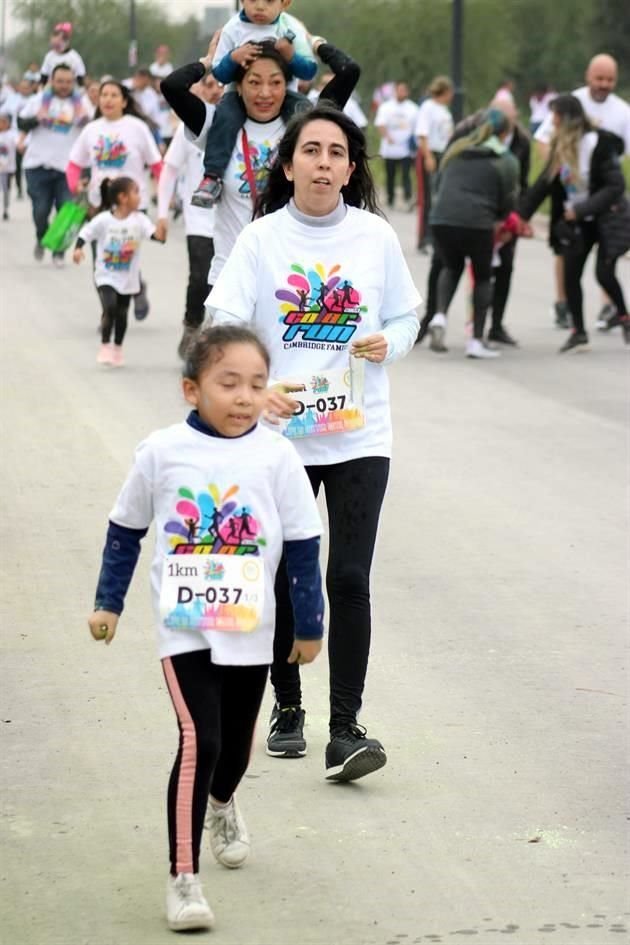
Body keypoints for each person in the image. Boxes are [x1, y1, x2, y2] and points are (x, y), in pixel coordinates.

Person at [207, 105, 421, 780]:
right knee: (284, 579)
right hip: (280, 436)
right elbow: (222, 317)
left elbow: (405, 312)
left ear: (351, 167)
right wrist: (249, 388)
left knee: (349, 577)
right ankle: (287, 705)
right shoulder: (262, 240)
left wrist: (395, 340)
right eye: (312, 150)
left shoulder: (375, 237)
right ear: (290, 163)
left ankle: (346, 728)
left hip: (360, 432)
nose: (324, 162)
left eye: (336, 152)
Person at [88, 324, 324, 931]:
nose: (245, 396)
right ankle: (183, 879)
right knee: (201, 739)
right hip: (184, 622)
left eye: (256, 384)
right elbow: (125, 528)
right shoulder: (162, 452)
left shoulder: (276, 454)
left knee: (237, 743)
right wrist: (108, 603)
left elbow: (302, 542)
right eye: (229, 383)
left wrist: (309, 623)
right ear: (192, 390)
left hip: (253, 626)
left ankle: (223, 803)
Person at [162, 37, 359, 292]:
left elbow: (349, 72)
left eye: (275, 83)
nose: (265, 93)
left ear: (287, 86)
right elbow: (172, 86)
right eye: (254, 82)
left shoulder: (307, 126)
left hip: (290, 280)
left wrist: (314, 44)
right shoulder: (217, 125)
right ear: (239, 87)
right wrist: (210, 62)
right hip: (231, 278)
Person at [521, 94, 630, 352]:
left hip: (607, 218)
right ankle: (578, 331)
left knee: (603, 274)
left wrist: (581, 209)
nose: (553, 123)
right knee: (571, 274)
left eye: (556, 117)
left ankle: (624, 317)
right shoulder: (560, 150)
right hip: (578, 223)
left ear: (568, 119)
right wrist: (518, 218)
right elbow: (541, 188)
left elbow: (616, 186)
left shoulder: (599, 144)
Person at [191, 0, 318, 208]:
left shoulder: (292, 27)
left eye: (268, 1)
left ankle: (311, 177)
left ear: (285, 2)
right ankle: (212, 178)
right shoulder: (232, 29)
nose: (259, 6)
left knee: (311, 123)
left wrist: (290, 56)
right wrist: (233, 58)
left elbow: (309, 71)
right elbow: (219, 73)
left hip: (285, 97)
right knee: (223, 119)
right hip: (239, 97)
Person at [535, 54, 630, 330]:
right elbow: (543, 139)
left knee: (607, 255)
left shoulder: (623, 111)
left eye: (610, 79)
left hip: (602, 197)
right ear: (588, 76)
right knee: (567, 253)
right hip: (571, 192)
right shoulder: (572, 103)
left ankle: (608, 306)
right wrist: (557, 169)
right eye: (599, 78)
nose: (604, 84)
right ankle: (563, 303)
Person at [426, 108, 519, 359]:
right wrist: (500, 219)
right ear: (505, 132)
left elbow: (439, 185)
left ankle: (439, 316)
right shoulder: (505, 159)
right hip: (477, 222)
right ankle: (476, 341)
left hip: (441, 219)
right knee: (483, 276)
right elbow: (508, 198)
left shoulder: (455, 150)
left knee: (450, 266)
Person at [67, 79, 162, 318]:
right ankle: (108, 312)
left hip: (132, 205)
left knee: (124, 254)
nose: (107, 99)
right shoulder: (91, 129)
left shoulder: (137, 127)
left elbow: (156, 164)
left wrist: (162, 194)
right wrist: (74, 184)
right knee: (101, 261)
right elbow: (74, 164)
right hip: (100, 205)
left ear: (124, 101)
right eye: (103, 95)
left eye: (113, 95)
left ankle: (136, 288)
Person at [157, 73, 223, 357]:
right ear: (200, 90)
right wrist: (161, 214)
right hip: (199, 217)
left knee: (225, 283)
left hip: (234, 219)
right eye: (210, 85)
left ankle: (219, 338)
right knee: (200, 278)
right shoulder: (192, 125)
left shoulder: (245, 124)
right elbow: (169, 170)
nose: (217, 91)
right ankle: (192, 324)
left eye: (223, 85)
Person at [73, 177, 164, 366]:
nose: (140, 197)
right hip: (105, 274)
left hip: (128, 277)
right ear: (123, 197)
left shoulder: (140, 220)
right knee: (110, 307)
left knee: (122, 314)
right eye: (136, 192)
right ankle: (105, 345)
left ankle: (117, 348)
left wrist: (163, 228)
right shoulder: (104, 220)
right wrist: (78, 248)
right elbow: (86, 233)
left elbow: (156, 236)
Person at [18, 64, 87, 265]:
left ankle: (58, 251)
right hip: (37, 165)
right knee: (40, 211)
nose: (64, 86)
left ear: (73, 82)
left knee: (65, 210)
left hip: (68, 167)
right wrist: (36, 119)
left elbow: (93, 128)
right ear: (52, 81)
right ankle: (41, 237)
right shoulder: (38, 101)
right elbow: (20, 123)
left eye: (68, 81)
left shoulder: (81, 104)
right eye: (60, 81)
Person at [486, 97, 531, 346]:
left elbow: (523, 182)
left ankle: (496, 324)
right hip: (483, 214)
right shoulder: (481, 136)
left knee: (505, 268)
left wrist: (518, 217)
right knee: (480, 272)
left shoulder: (522, 141)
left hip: (509, 214)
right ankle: (474, 324)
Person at [414, 75, 454, 251]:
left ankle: (436, 237)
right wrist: (428, 156)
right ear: (444, 91)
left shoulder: (445, 111)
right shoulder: (428, 108)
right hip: (429, 153)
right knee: (427, 198)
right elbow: (423, 134)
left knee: (439, 197)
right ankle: (424, 239)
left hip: (442, 154)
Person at [375, 81, 418, 211]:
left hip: (406, 149)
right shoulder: (386, 107)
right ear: (395, 91)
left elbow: (417, 128)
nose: (402, 93)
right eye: (399, 90)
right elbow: (380, 124)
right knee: (390, 175)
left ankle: (407, 198)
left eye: (404, 90)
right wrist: (387, 136)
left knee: (406, 175)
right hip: (390, 149)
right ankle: (391, 198)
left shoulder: (413, 108)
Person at [40, 23, 86, 87]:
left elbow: (80, 76)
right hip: (52, 88)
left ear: (66, 42)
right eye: (54, 45)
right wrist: (41, 88)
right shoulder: (49, 56)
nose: (55, 47)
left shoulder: (74, 57)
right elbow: (44, 75)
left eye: (58, 45)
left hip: (70, 88)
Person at [0, 110, 18, 220]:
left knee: (6, 190)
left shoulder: (12, 135)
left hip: (7, 169)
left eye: (3, 122)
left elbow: (19, 143)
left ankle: (5, 210)